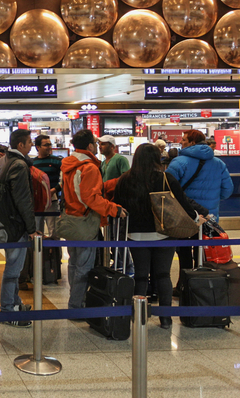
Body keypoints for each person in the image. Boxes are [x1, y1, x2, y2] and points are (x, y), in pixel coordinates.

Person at [108, 143, 199, 329]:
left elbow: (116, 205)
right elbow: (183, 204)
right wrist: (196, 218)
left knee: (140, 276)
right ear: (157, 158)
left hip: (135, 235)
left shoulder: (125, 180)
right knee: (163, 275)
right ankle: (165, 318)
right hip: (163, 234)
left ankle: (138, 316)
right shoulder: (166, 178)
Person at [60, 129, 123, 312]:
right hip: (85, 221)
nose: (97, 146)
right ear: (89, 146)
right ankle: (76, 306)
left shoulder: (68, 165)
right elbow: (91, 198)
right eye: (95, 143)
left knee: (73, 263)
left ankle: (75, 299)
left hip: (70, 219)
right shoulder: (89, 167)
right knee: (84, 266)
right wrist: (113, 209)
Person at [166, 130, 233, 291]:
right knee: (202, 250)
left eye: (183, 140)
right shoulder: (219, 164)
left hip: (185, 216)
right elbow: (227, 191)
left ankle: (184, 285)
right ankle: (201, 286)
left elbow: (167, 188)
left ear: (192, 143)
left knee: (183, 251)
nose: (181, 142)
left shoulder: (178, 163)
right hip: (209, 216)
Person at [0, 128, 37, 327]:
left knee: (14, 266)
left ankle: (15, 303)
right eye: (30, 142)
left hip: (3, 221)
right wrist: (31, 228)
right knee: (13, 268)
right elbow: (23, 200)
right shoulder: (19, 165)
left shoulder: (1, 161)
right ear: (21, 145)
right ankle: (7, 310)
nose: (31, 145)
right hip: (15, 224)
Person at [33, 134, 63, 233]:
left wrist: (55, 190)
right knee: (37, 230)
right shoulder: (32, 163)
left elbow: (65, 180)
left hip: (52, 200)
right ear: (38, 147)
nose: (49, 147)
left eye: (50, 144)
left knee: (54, 230)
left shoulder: (57, 161)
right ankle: (39, 248)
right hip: (37, 202)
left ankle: (54, 249)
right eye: (46, 145)